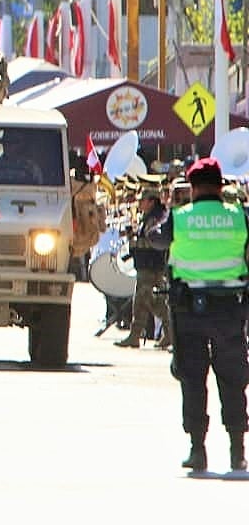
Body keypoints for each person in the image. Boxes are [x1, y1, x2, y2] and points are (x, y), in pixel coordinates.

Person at [165, 156, 249, 472]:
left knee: (192, 379)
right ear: (220, 186)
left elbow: (156, 238)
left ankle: (197, 450)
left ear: (194, 187)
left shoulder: (180, 218)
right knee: (233, 378)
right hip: (230, 309)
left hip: (189, 311)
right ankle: (237, 451)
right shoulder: (239, 216)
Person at [116, 184, 172, 349]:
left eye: (143, 200)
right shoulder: (148, 217)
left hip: (152, 266)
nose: (139, 203)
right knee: (144, 302)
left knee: (146, 301)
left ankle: (164, 332)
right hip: (145, 265)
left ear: (152, 202)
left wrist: (134, 243)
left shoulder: (157, 218)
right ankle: (157, 333)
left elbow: (155, 243)